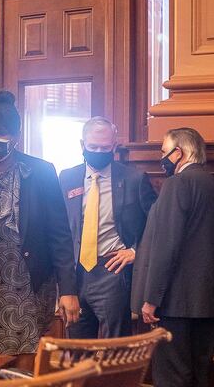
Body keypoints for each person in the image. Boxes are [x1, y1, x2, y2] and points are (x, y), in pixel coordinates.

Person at [0, 91, 79, 362]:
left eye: (0, 135)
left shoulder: (41, 172)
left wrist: (68, 290)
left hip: (27, 279)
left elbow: (59, 234)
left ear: (15, 137)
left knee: (22, 355)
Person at [131, 128, 214, 387]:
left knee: (172, 378)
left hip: (174, 303)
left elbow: (166, 246)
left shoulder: (177, 184)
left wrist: (151, 299)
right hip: (207, 304)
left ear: (180, 153)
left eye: (164, 152)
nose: (161, 158)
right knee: (200, 377)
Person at [59, 117, 157, 339]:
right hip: (76, 271)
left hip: (112, 270)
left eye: (105, 148)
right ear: (82, 145)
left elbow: (156, 223)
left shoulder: (134, 179)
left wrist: (135, 251)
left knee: (116, 347)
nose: (99, 151)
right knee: (77, 346)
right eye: (93, 147)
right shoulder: (67, 177)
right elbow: (60, 227)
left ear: (114, 146)